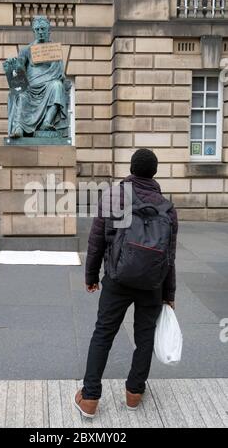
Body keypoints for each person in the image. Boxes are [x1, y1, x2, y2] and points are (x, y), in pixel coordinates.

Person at [74, 148, 178, 418]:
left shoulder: (114, 196)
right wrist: (169, 293)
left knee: (103, 334)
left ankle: (90, 398)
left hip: (117, 279)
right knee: (144, 337)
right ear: (154, 172)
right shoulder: (166, 206)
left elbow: (96, 241)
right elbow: (169, 255)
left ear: (131, 169)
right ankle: (134, 393)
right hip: (153, 284)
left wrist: (91, 276)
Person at [5, 16, 69, 137]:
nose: (40, 32)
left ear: (48, 31)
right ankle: (19, 128)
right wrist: (12, 66)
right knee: (21, 95)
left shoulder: (53, 50)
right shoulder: (26, 50)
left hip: (48, 85)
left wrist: (58, 75)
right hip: (30, 87)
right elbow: (19, 72)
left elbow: (60, 72)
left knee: (57, 86)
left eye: (43, 29)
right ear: (34, 31)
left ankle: (47, 122)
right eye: (38, 29)